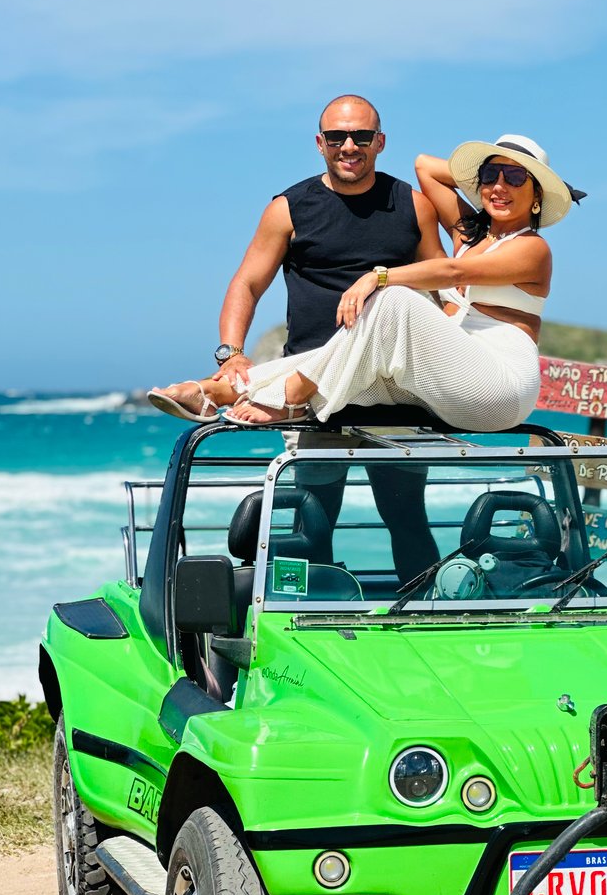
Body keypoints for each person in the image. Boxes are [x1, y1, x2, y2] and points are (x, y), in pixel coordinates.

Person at [148, 94, 444, 580]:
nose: (349, 146)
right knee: (313, 520)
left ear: (380, 142)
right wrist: (231, 354)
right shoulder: (289, 208)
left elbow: (441, 281)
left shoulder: (412, 204)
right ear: (320, 144)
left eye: (361, 136)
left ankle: (428, 614)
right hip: (307, 387)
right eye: (337, 137)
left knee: (406, 515)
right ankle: (311, 616)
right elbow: (247, 282)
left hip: (392, 387)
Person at [209, 134, 583, 430]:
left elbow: (454, 272)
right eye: (490, 175)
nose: (500, 186)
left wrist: (379, 276)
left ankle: (290, 395)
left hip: (502, 386)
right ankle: (226, 389)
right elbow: (425, 167)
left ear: (537, 194)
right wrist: (490, 183)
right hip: (459, 380)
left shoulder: (533, 249)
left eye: (516, 178)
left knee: (394, 300)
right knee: (363, 373)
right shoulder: (470, 238)